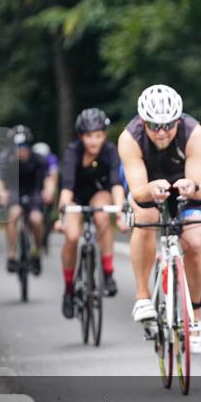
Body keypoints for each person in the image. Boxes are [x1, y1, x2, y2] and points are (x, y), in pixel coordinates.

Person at [117, 85, 201, 353]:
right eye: (154, 126)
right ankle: (142, 296)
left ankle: (196, 317)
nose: (161, 132)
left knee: (194, 243)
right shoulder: (130, 138)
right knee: (146, 217)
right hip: (148, 187)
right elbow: (137, 191)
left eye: (168, 125)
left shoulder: (194, 133)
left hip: (184, 188)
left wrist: (190, 186)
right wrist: (150, 189)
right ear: (143, 121)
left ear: (178, 120)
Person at [55, 108, 128, 318]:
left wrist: (120, 213)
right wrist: (62, 217)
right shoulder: (73, 152)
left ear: (104, 135)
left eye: (98, 135)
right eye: (88, 136)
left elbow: (116, 184)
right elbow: (67, 188)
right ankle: (69, 289)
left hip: (99, 193)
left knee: (102, 216)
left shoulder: (110, 151)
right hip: (75, 197)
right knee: (72, 236)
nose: (93, 141)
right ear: (81, 137)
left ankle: (107, 272)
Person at [0, 126, 54, 275]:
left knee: (36, 219)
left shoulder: (39, 159)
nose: (21, 150)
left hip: (34, 191)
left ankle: (36, 252)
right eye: (17, 147)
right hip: (15, 190)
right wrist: (1, 193)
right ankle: (11, 255)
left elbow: (48, 179)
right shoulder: (5, 158)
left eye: (24, 146)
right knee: (14, 214)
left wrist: (48, 191)